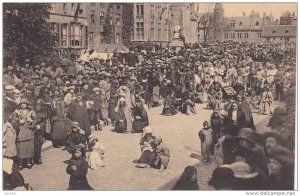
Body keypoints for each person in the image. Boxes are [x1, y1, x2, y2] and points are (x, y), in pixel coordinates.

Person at [13, 98, 35, 170]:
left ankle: (28, 162)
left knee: (28, 147)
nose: (23, 105)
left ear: (27, 105)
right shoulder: (17, 112)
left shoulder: (30, 112)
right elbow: (13, 122)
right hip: (21, 132)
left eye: (24, 104)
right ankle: (20, 164)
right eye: (22, 104)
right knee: (21, 148)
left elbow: (35, 121)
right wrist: (19, 123)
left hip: (28, 131)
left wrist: (31, 121)